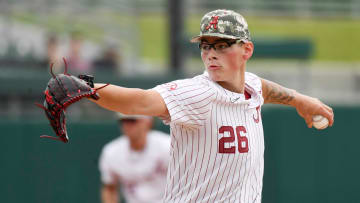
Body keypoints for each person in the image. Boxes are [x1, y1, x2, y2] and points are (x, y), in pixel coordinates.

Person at [90, 9, 334, 202]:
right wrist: (87, 89)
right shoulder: (197, 93)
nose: (211, 54)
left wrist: (300, 100)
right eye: (205, 46)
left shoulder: (251, 86)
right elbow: (139, 101)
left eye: (221, 45)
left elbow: (261, 87)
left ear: (246, 49)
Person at [99, 113, 170, 203]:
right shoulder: (111, 151)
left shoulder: (167, 146)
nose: (127, 125)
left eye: (133, 120)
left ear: (148, 121)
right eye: (123, 121)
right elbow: (109, 187)